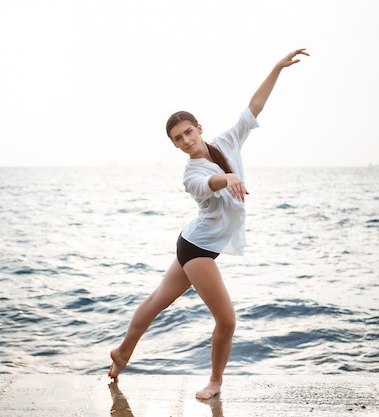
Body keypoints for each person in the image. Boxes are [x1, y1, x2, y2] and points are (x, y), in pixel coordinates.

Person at [108, 48, 309, 400]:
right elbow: (208, 185)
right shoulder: (192, 173)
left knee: (157, 301)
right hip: (198, 249)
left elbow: (254, 108)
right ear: (174, 144)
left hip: (193, 242)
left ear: (200, 128)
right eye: (178, 139)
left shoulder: (227, 142)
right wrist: (227, 177)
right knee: (227, 320)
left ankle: (122, 352)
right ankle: (215, 382)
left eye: (188, 132)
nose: (186, 141)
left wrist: (277, 68)